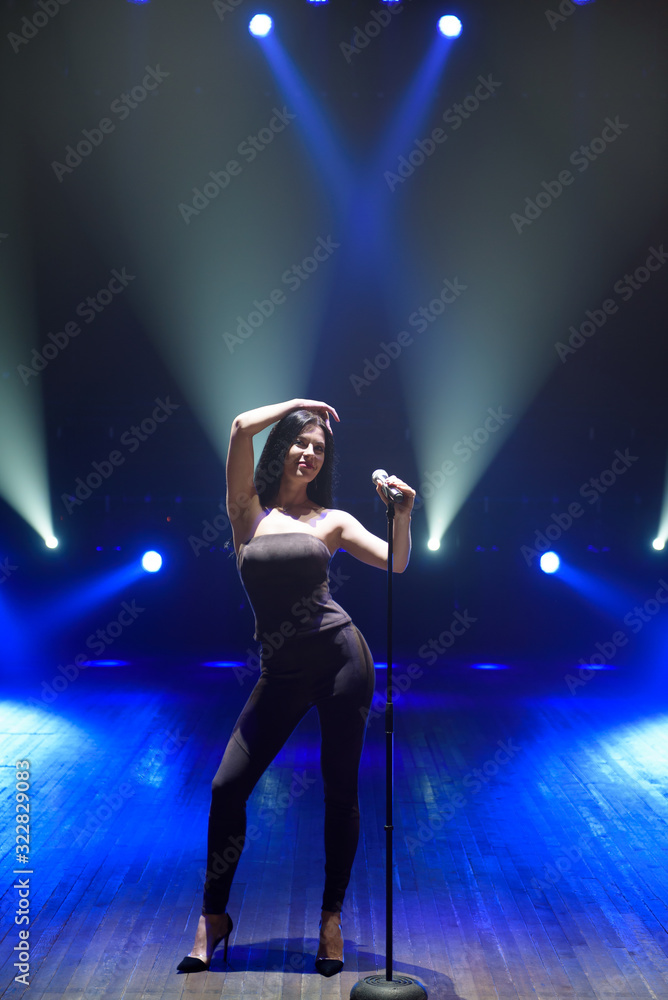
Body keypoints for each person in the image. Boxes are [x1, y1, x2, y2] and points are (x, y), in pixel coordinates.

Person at [177, 398, 415, 977]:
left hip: (341, 660)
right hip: (280, 670)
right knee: (225, 788)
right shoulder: (246, 512)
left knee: (340, 793)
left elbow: (397, 562)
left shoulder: (329, 520)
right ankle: (213, 918)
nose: (309, 454)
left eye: (319, 449)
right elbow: (236, 426)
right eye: (300, 443)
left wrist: (404, 513)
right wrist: (301, 405)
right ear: (281, 447)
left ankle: (331, 921)